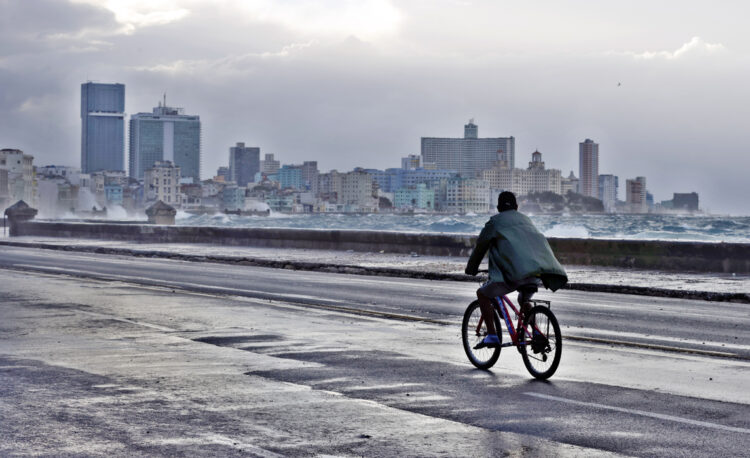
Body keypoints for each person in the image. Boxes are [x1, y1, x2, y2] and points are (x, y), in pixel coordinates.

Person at [465, 191, 568, 349]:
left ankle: (492, 336)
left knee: (482, 294)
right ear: (517, 207)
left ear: (498, 207)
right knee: (524, 300)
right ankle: (536, 334)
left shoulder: (495, 222)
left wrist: (471, 269)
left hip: (513, 275)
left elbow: (480, 247)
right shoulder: (526, 220)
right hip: (535, 272)